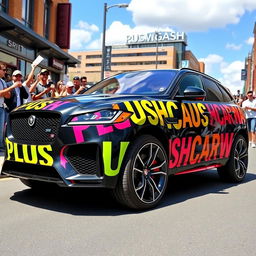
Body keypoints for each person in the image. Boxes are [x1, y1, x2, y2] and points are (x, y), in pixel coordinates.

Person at [0, 62, 22, 150]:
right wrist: (12, 87)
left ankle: (1, 146)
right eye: (3, 70)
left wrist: (7, 90)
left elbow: (8, 95)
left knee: (1, 129)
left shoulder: (2, 81)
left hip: (1, 107)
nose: (5, 72)